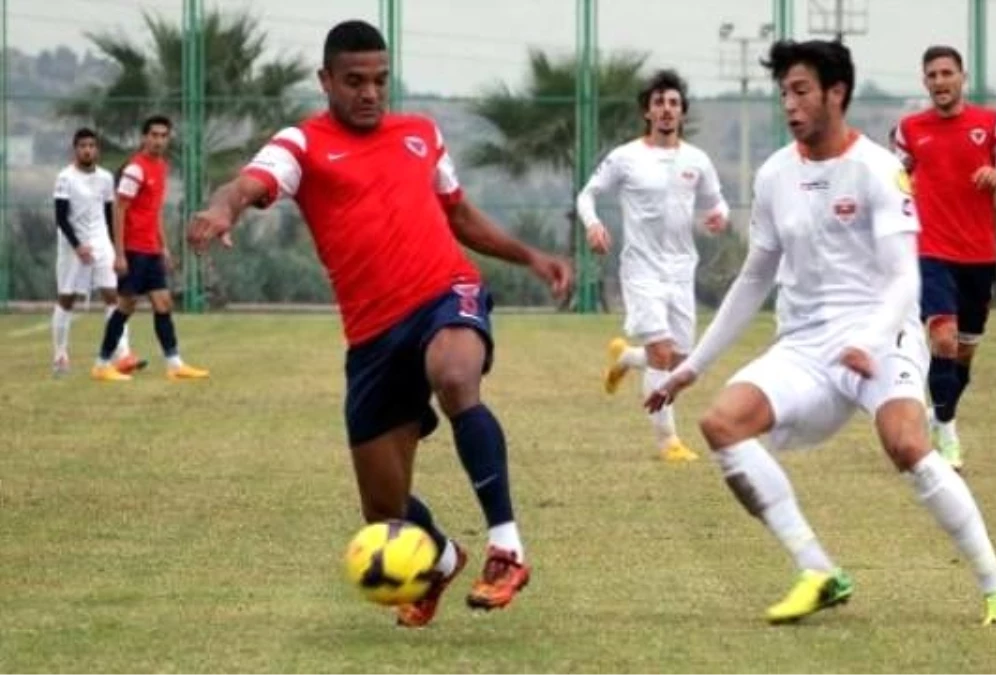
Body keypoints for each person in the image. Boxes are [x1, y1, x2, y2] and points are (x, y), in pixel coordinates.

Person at [186, 21, 572, 627]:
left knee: (454, 375)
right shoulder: (303, 145)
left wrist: (530, 256)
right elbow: (248, 184)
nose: (370, 93)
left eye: (380, 80)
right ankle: (442, 559)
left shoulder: (421, 133)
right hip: (372, 335)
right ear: (326, 81)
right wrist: (220, 207)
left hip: (444, 291)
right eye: (355, 81)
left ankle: (507, 548)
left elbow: (460, 216)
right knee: (383, 513)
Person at [647, 38, 996, 627]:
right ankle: (818, 570)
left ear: (836, 93)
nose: (790, 106)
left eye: (801, 92)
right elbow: (755, 277)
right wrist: (692, 366)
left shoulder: (878, 168)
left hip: (884, 333)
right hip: (804, 344)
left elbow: (904, 279)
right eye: (784, 94)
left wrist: (869, 341)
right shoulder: (775, 174)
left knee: (905, 444)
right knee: (721, 424)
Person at [893, 45, 996, 470]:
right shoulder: (908, 129)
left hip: (979, 255)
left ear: (962, 77)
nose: (939, 81)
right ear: (925, 82)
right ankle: (948, 440)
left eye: (946, 73)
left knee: (963, 356)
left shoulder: (990, 124)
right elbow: (892, 178)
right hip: (931, 249)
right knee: (942, 339)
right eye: (932, 75)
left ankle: (941, 418)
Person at [576, 69, 730, 463]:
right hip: (641, 269)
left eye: (674, 103)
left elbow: (717, 202)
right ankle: (668, 442)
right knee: (662, 352)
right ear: (647, 111)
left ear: (682, 113)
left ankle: (626, 357)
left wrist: (720, 216)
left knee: (679, 360)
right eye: (659, 102)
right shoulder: (625, 157)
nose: (666, 110)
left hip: (681, 270)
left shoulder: (697, 160)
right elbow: (587, 196)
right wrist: (593, 225)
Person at [91, 116, 208, 382]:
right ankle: (101, 364)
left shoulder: (161, 167)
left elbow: (153, 212)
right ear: (144, 137)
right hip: (133, 250)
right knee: (126, 306)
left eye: (163, 136)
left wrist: (163, 247)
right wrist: (119, 253)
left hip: (151, 249)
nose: (158, 140)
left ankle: (174, 364)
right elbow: (119, 210)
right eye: (153, 135)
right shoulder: (135, 169)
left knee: (163, 303)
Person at [51, 127, 142, 375]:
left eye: (91, 146)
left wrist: (117, 247)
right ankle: (60, 354)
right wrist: (77, 245)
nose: (87, 150)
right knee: (66, 299)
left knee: (114, 295)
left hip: (101, 242)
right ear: (75, 149)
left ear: (97, 150)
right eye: (82, 146)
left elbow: (108, 214)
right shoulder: (65, 178)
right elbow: (60, 217)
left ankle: (123, 354)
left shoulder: (105, 178)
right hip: (73, 246)